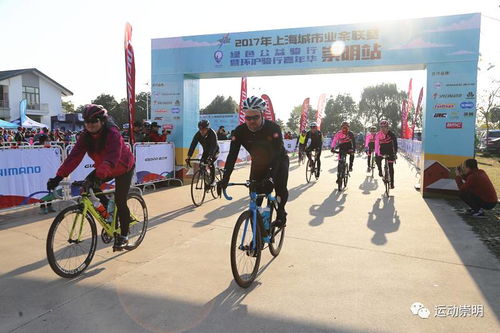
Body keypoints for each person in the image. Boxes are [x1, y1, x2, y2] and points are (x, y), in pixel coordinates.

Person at [46, 104, 135, 251]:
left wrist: (99, 175)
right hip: (103, 167)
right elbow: (74, 157)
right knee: (89, 186)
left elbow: (113, 155)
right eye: (87, 121)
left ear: (102, 121)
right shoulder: (85, 136)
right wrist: (58, 177)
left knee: (120, 200)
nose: (90, 125)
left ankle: (124, 236)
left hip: (123, 166)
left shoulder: (113, 133)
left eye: (94, 121)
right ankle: (109, 213)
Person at [218, 96, 289, 228]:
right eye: (248, 118)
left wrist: (271, 178)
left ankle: (281, 213)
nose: (251, 121)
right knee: (255, 200)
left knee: (280, 188)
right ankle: (258, 237)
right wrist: (225, 178)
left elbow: (277, 155)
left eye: (255, 117)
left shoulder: (273, 128)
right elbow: (232, 156)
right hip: (259, 163)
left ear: (262, 114)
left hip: (278, 160)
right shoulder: (239, 131)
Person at [186, 119, 220, 185]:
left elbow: (214, 146)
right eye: (200, 129)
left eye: (204, 130)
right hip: (206, 151)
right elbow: (193, 145)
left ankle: (212, 180)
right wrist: (189, 156)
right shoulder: (198, 134)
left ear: (208, 129)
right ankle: (206, 179)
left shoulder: (212, 133)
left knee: (210, 162)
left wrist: (210, 157)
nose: (202, 131)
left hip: (214, 151)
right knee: (202, 164)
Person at [375, 119, 398, 188]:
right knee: (377, 159)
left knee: (391, 166)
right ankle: (380, 170)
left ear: (387, 127)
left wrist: (395, 153)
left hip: (390, 150)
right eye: (381, 127)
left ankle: (392, 183)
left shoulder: (392, 134)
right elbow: (376, 144)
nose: (383, 129)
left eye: (384, 127)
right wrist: (376, 153)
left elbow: (395, 145)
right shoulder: (378, 134)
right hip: (382, 150)